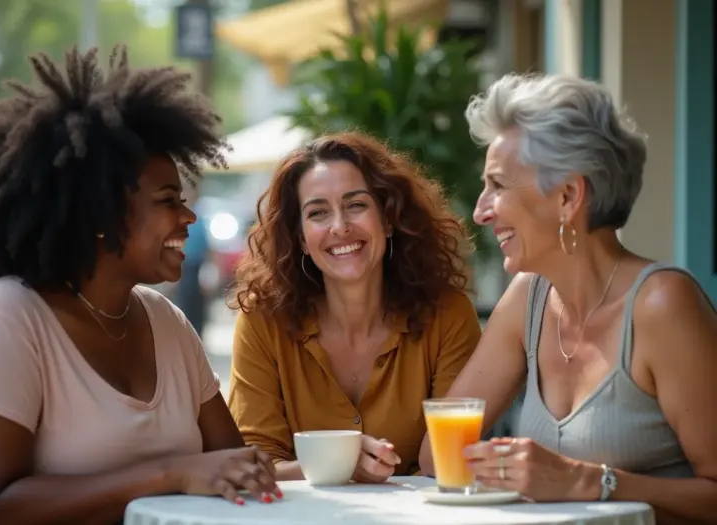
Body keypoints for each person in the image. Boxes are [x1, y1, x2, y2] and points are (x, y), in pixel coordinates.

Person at [0, 45, 280, 525]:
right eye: (168, 200)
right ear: (102, 216)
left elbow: (231, 465)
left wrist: (331, 468)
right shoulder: (3, 318)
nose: (188, 217)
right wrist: (170, 474)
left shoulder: (167, 322)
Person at [418, 73, 717, 524]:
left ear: (568, 195)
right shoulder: (527, 300)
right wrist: (507, 468)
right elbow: (435, 456)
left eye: (497, 185)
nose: (480, 211)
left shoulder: (662, 305)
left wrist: (587, 481)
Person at [227, 131, 482, 482]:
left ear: (388, 219)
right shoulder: (263, 320)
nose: (340, 227)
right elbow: (253, 461)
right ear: (301, 239)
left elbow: (450, 456)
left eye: (356, 205)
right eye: (318, 213)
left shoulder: (448, 315)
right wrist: (338, 464)